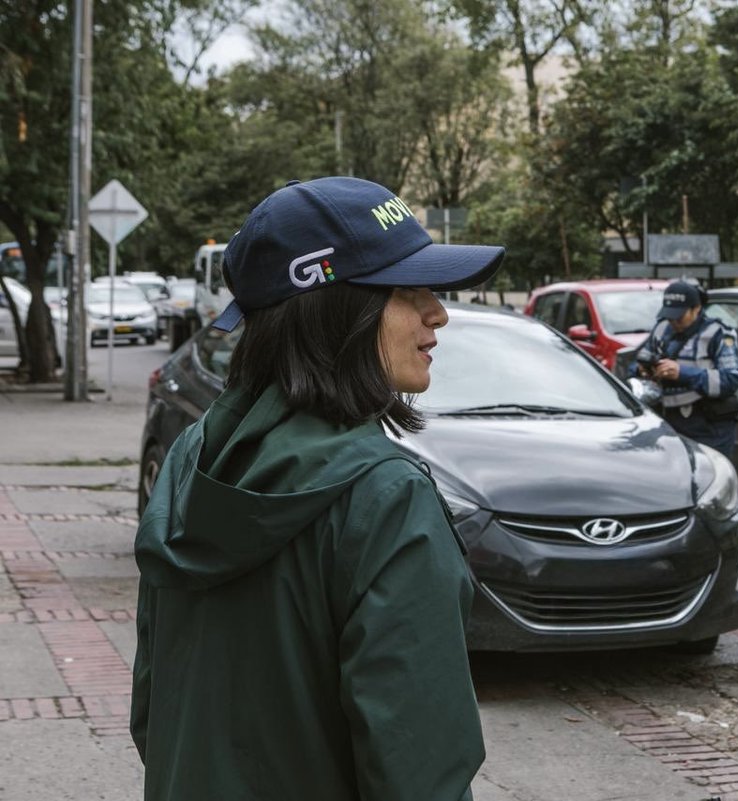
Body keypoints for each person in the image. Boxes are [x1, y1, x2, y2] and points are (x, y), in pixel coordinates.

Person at [130, 177, 505, 801]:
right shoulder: (386, 497)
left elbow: (153, 710)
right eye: (407, 289)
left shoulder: (192, 460)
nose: (438, 311)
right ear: (336, 308)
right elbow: (419, 770)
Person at [629, 279, 738, 457]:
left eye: (679, 316)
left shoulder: (718, 334)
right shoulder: (661, 329)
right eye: (669, 315)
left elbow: (731, 379)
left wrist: (682, 373)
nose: (674, 321)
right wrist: (642, 370)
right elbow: (638, 361)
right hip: (667, 423)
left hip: (708, 427)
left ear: (696, 309)